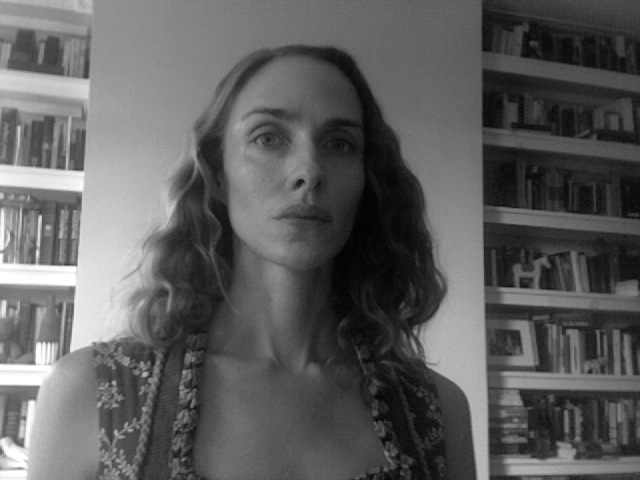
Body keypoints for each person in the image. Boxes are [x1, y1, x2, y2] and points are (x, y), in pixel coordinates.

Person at [27, 45, 475, 480]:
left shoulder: (437, 412)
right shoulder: (89, 395)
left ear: (367, 180)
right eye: (268, 138)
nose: (309, 171)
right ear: (217, 175)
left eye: (339, 144)